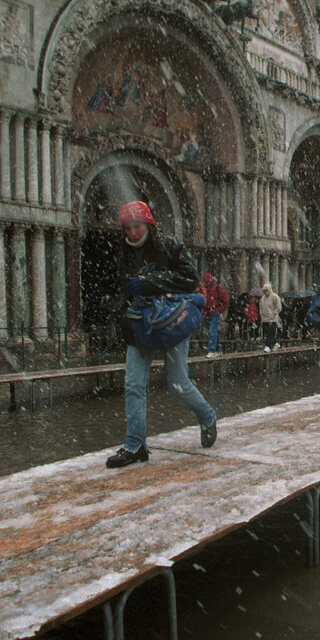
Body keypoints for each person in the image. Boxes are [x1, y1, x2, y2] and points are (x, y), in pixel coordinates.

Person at [107, 200, 217, 469]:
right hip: (140, 326)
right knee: (133, 384)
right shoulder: (123, 253)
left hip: (171, 322)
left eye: (137, 226)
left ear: (148, 224)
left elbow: (190, 277)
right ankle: (136, 445)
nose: (132, 232)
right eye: (128, 227)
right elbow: (122, 289)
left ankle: (207, 417)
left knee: (178, 383)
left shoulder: (170, 246)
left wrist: (148, 283)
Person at [201, 272, 229, 358]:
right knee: (212, 331)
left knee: (212, 331)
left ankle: (211, 350)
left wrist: (218, 310)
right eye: (205, 282)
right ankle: (218, 349)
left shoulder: (217, 288)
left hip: (214, 312)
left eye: (207, 282)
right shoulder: (202, 289)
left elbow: (225, 302)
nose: (206, 284)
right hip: (205, 313)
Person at [260, 282, 282, 351]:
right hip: (265, 319)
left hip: (272, 318)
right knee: (268, 333)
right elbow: (261, 307)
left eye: (266, 290)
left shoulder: (274, 296)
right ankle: (275, 344)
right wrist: (262, 315)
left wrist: (274, 313)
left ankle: (268, 346)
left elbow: (278, 307)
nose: (265, 292)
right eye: (264, 290)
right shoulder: (262, 298)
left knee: (270, 332)